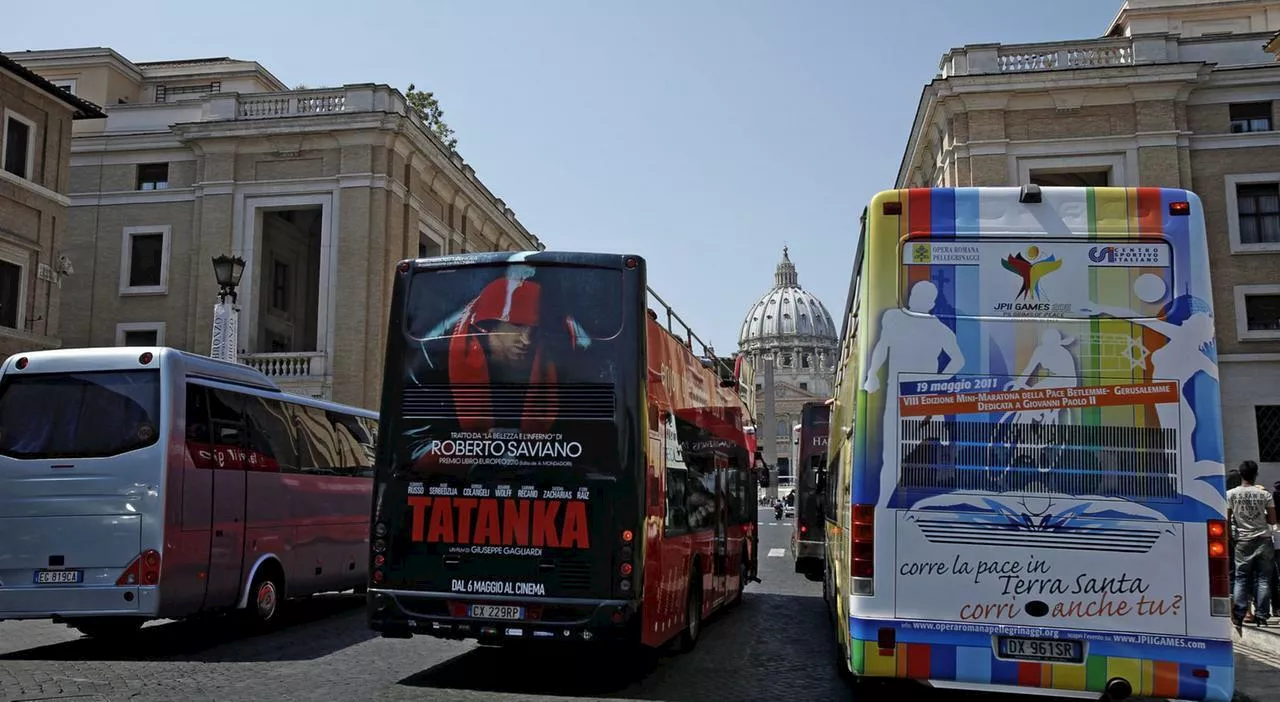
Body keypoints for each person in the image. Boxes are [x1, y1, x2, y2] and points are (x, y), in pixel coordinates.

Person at [1227, 460, 1275, 626]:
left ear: (1241, 474)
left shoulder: (1231, 494)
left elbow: (1226, 519)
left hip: (1243, 540)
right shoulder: (1265, 494)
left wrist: (1231, 537)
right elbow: (1272, 519)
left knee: (1241, 578)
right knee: (1263, 579)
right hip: (1263, 539)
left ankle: (1239, 614)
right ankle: (1261, 615)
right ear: (1256, 475)